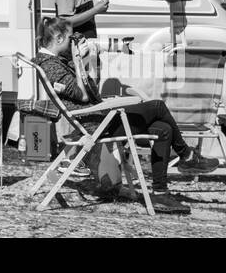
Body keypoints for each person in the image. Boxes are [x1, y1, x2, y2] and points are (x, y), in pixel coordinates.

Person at [36, 18, 216, 213]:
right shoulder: (51, 65)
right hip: (96, 124)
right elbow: (83, 94)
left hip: (100, 117)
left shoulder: (57, 61)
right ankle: (187, 155)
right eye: (71, 37)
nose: (73, 41)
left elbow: (88, 89)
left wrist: (83, 60)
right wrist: (78, 62)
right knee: (158, 107)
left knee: (163, 130)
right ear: (59, 37)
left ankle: (160, 194)